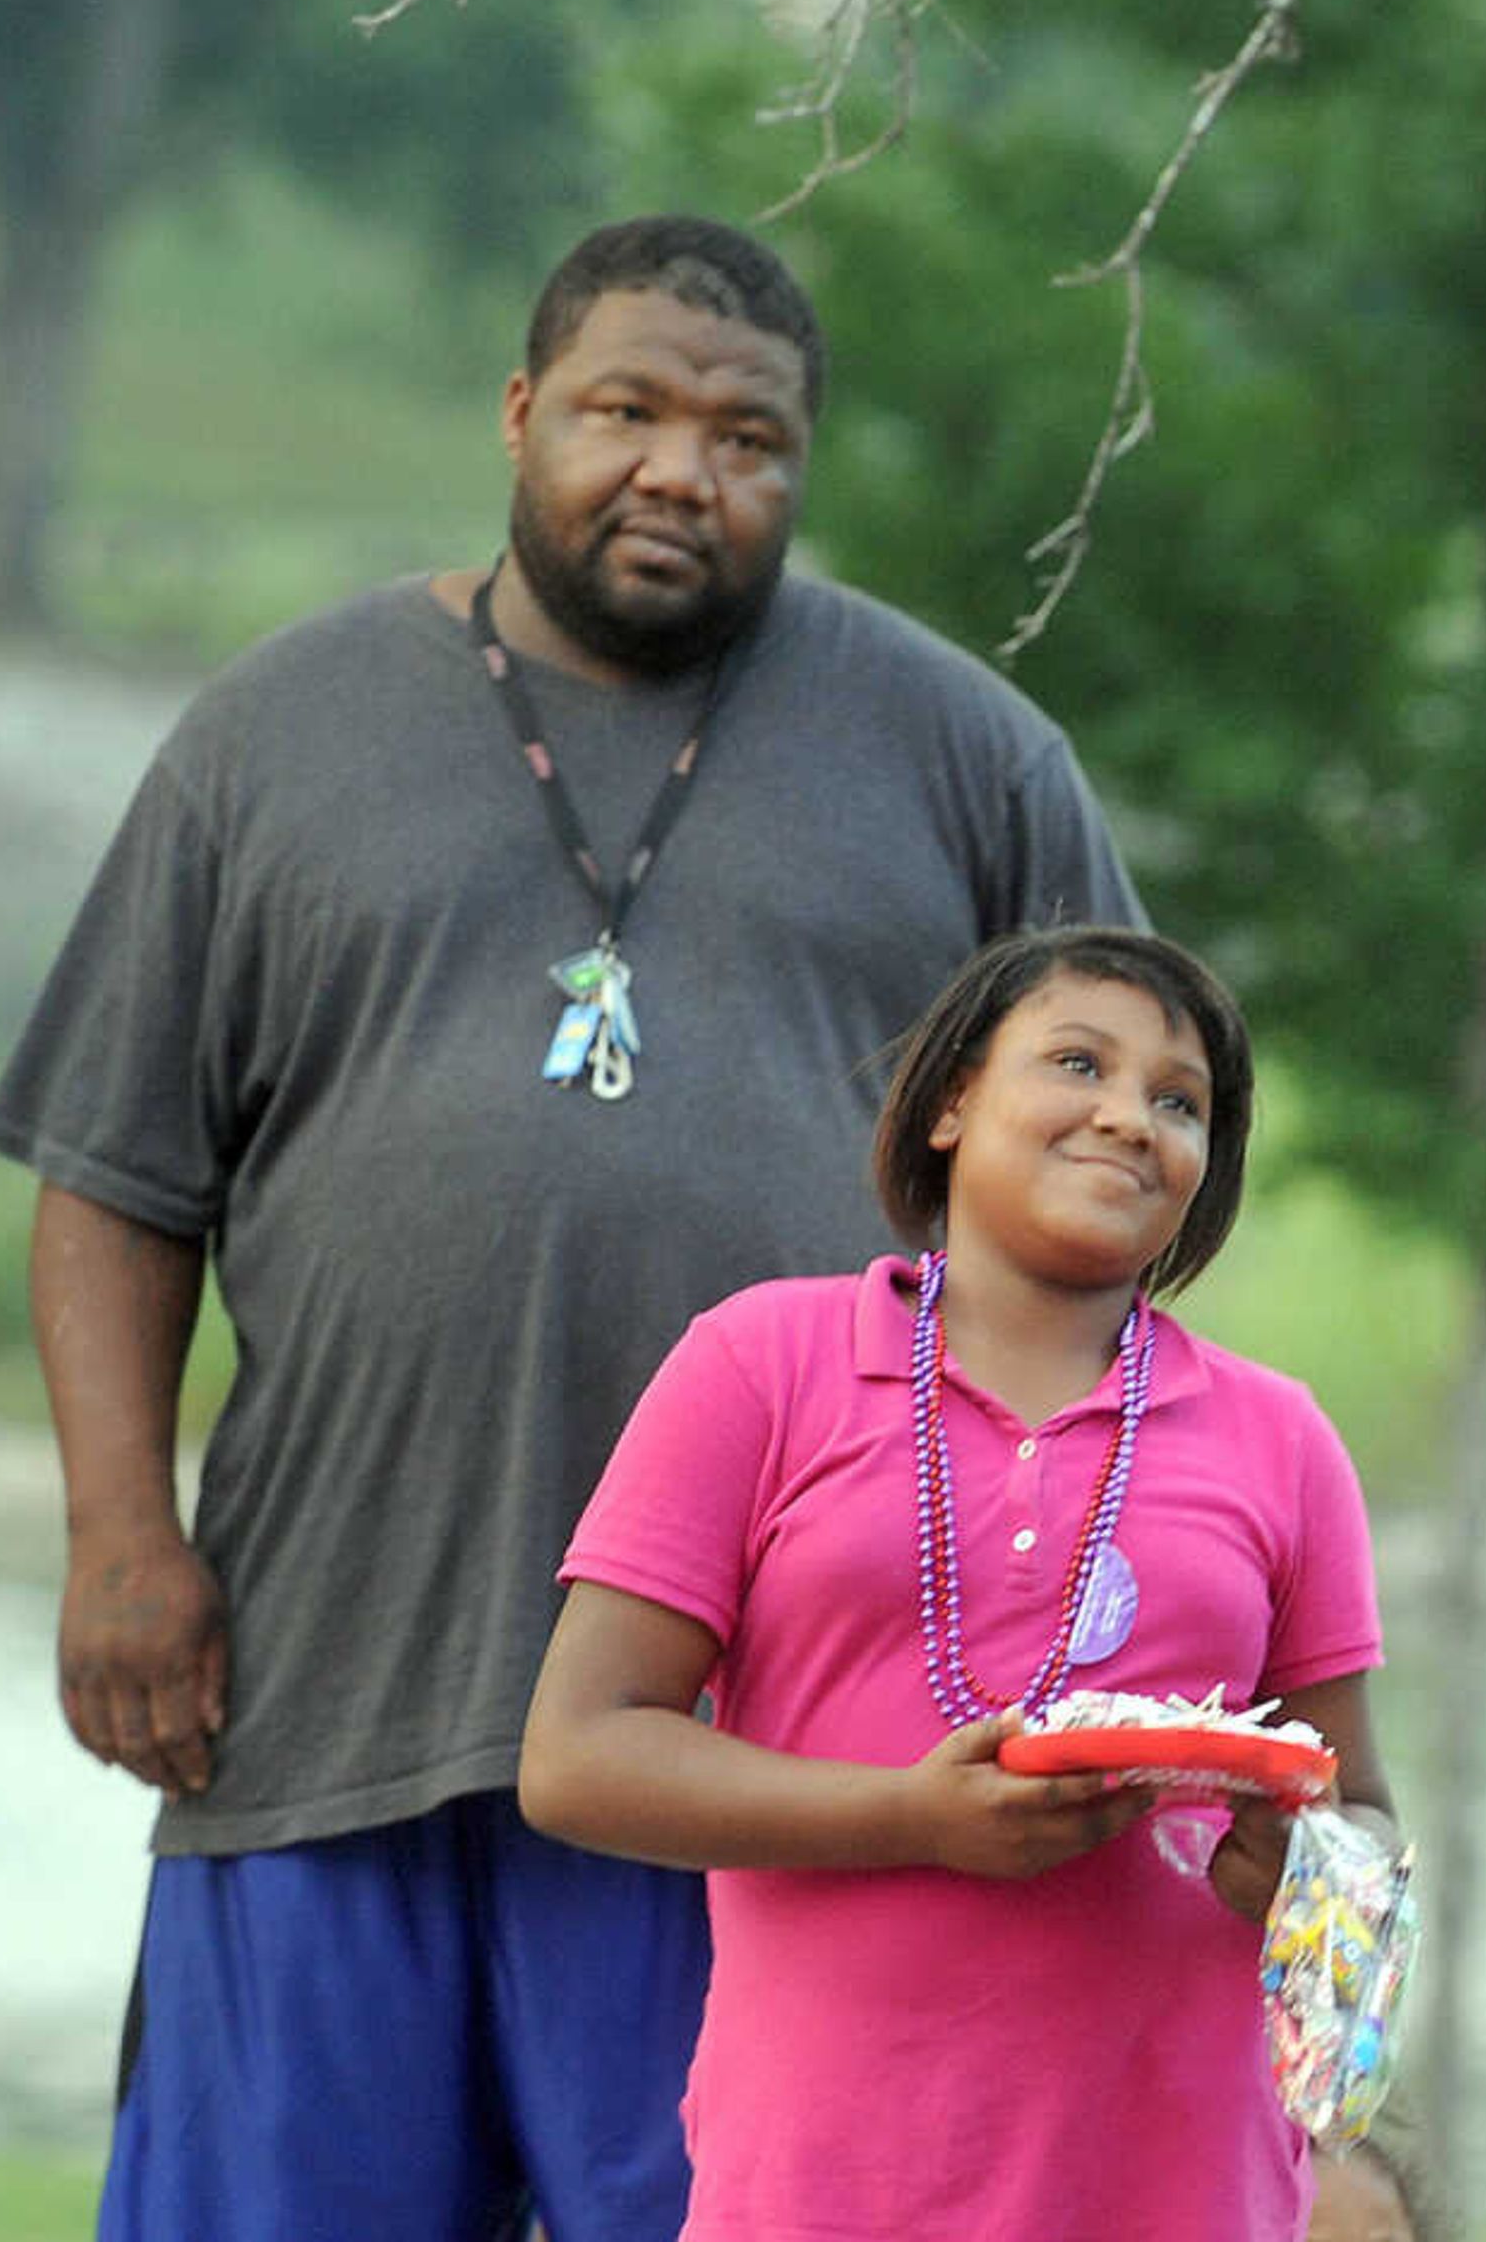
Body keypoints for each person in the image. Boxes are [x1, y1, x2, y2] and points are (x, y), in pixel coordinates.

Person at [0, 214, 1148, 2242]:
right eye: (627, 409)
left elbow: (1116, 1182)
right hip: (323, 1686)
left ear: (802, 466)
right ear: (525, 415)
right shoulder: (274, 736)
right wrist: (120, 1539)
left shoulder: (965, 759)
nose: (682, 468)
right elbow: (116, 1170)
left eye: (747, 435)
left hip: (768, 1746)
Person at [519, 924, 1394, 2241]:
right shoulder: (761, 1362)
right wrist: (910, 1817)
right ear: (947, 1105)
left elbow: (1362, 1818)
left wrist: (1307, 1876)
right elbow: (577, 1758)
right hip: (820, 2187)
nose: (1127, 1116)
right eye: (1077, 1061)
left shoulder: (1281, 1437)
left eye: (1179, 1100)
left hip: (1179, 2193)